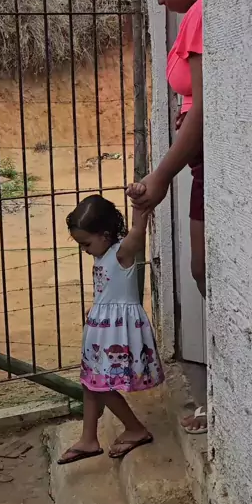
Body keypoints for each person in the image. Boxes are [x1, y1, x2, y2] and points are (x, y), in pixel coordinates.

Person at [128, 0, 207, 434]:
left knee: (205, 270)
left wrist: (160, 176)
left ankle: (221, 393)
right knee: (204, 270)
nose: (158, 0)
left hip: (206, 165)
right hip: (199, 165)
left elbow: (203, 107)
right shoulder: (189, 18)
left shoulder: (198, 14)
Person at [58, 192, 164, 464]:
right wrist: (97, 308)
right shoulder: (102, 253)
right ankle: (88, 438)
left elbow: (138, 229)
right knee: (90, 381)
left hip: (118, 331)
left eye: (86, 243)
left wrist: (139, 199)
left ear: (105, 235)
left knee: (102, 385)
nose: (84, 249)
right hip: (102, 328)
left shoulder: (121, 253)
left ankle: (135, 429)